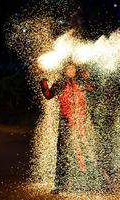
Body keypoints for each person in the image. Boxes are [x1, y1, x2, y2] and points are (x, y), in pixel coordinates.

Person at [40, 61, 97, 193]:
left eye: (73, 69)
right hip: (66, 121)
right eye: (69, 69)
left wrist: (88, 77)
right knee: (63, 152)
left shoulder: (81, 81)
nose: (72, 71)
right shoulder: (60, 82)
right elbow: (48, 95)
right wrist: (44, 84)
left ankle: (90, 181)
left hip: (82, 121)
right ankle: (60, 185)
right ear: (64, 70)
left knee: (86, 149)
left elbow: (93, 89)